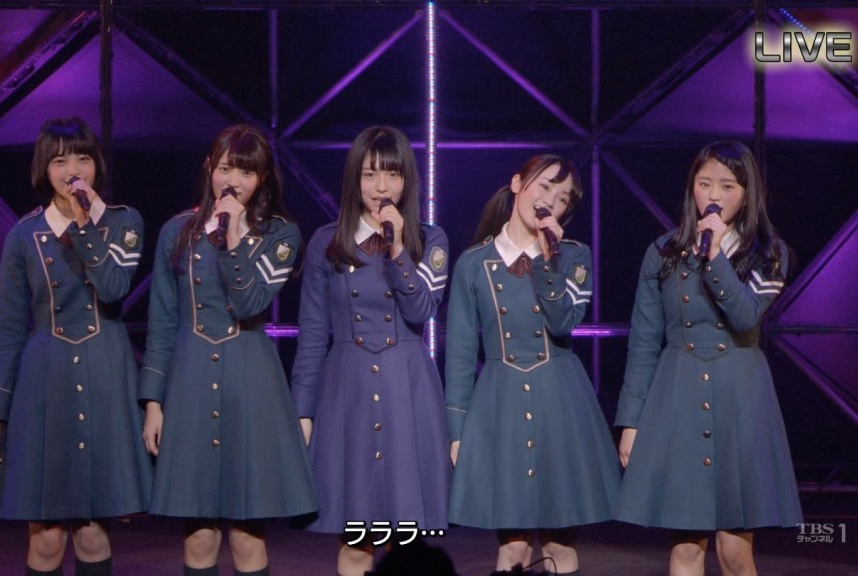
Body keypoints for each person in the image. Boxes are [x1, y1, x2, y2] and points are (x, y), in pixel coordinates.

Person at [613, 141, 802, 576]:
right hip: (677, 395)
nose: (714, 195)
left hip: (741, 397)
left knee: (735, 550)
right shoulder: (662, 253)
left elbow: (745, 316)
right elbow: (643, 343)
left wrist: (714, 255)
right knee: (685, 548)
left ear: (747, 194)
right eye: (704, 183)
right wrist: (630, 422)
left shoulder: (770, 253)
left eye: (727, 186)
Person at [140, 124, 317, 576]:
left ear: (262, 179)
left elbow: (250, 302)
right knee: (199, 532)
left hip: (251, 386)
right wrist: (153, 402)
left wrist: (234, 236)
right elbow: (162, 323)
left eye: (246, 172)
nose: (233, 181)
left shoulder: (280, 235)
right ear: (209, 169)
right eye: (225, 169)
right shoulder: (176, 231)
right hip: (190, 383)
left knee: (246, 532)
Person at [0, 117, 151, 576]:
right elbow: (7, 330)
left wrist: (84, 224)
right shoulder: (23, 235)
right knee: (47, 537)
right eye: (59, 161)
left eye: (82, 158)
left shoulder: (124, 222)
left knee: (93, 533)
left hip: (105, 375)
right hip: (44, 383)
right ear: (44, 168)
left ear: (96, 165)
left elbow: (113, 288)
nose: (73, 170)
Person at [444, 154, 619, 576]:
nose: (548, 201)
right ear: (517, 183)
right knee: (512, 547)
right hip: (500, 404)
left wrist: (546, 258)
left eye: (562, 198)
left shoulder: (574, 256)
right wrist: (457, 430)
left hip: (560, 402)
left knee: (560, 544)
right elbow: (461, 352)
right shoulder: (473, 263)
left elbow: (563, 322)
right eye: (544, 186)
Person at [291, 126, 451, 576]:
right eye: (370, 174)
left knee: (407, 538)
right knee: (357, 536)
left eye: (392, 175)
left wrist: (397, 248)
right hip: (348, 393)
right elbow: (311, 334)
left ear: (407, 180)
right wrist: (302, 411)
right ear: (354, 179)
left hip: (407, 390)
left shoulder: (430, 240)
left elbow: (422, 309)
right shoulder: (326, 242)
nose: (382, 187)